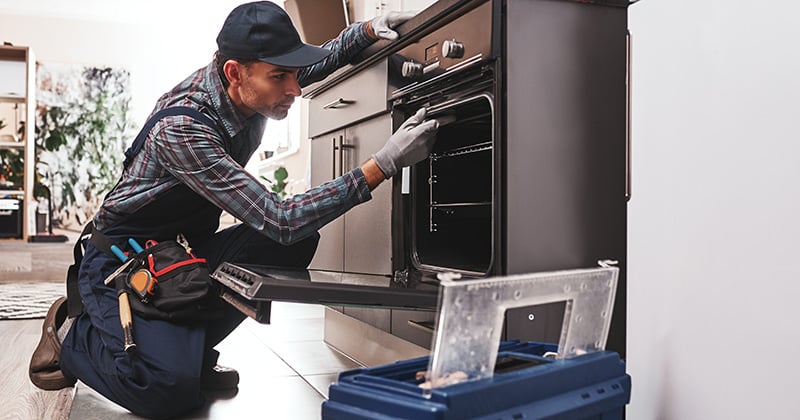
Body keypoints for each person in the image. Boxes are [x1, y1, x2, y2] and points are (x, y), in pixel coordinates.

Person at [28, 2, 438, 418]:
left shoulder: (253, 85)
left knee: (293, 245)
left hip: (181, 251)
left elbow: (310, 65)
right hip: (121, 261)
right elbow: (280, 218)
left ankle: (192, 352)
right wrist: (381, 165)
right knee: (166, 391)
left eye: (292, 74)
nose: (294, 89)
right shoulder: (183, 129)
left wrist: (368, 29)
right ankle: (72, 334)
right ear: (234, 73)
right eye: (281, 77)